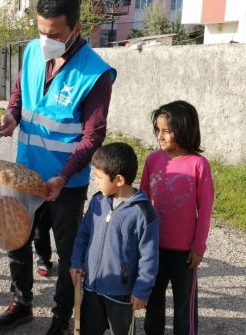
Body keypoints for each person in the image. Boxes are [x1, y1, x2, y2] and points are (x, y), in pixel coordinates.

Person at [0, 0, 117, 335]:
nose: (46, 40)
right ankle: (21, 303)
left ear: (76, 28)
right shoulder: (33, 50)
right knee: (17, 239)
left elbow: (93, 137)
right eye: (41, 31)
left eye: (55, 34)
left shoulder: (96, 74)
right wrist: (11, 115)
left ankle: (61, 317)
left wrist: (62, 177)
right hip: (25, 172)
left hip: (65, 183)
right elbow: (19, 93)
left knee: (67, 253)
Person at [140, 100, 214, 335]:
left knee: (184, 305)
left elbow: (205, 210)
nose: (160, 136)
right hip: (154, 246)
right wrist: (139, 240)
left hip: (184, 252)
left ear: (183, 129)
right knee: (153, 301)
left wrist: (198, 247)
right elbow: (141, 202)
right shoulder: (153, 160)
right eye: (157, 130)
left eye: (166, 131)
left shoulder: (198, 165)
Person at [70, 142, 159, 335]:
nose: (95, 182)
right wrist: (76, 262)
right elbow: (83, 235)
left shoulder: (144, 214)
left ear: (118, 180)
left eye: (99, 177)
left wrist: (142, 290)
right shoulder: (97, 201)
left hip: (121, 293)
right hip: (92, 286)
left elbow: (149, 257)